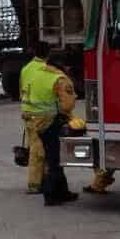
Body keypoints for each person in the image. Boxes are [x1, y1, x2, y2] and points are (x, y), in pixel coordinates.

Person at [19, 45, 82, 205]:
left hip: (34, 120)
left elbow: (25, 92)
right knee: (53, 159)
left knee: (52, 157)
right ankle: (51, 195)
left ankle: (62, 192)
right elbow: (68, 105)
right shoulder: (60, 79)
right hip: (51, 121)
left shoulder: (36, 73)